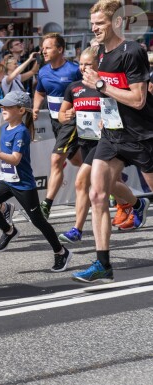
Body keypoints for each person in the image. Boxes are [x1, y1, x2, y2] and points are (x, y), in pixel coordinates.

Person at [72, 0, 153, 283]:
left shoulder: (132, 51)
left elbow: (139, 99)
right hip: (112, 136)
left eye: (100, 23)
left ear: (116, 23)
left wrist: (101, 85)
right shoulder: (100, 55)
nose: (94, 28)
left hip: (142, 135)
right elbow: (107, 95)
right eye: (92, 23)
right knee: (97, 194)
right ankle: (102, 263)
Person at [0, 91, 73, 271]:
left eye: (8, 106)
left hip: (23, 184)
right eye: (3, 106)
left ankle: (61, 252)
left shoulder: (21, 132)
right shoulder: (6, 128)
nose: (3, 109)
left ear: (21, 110)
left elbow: (15, 159)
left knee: (38, 221)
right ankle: (9, 230)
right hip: (7, 180)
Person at [57, 47, 141, 243]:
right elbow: (62, 115)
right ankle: (137, 204)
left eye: (89, 64)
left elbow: (120, 110)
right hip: (85, 141)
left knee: (81, 181)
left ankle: (76, 229)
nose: (84, 68)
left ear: (98, 66)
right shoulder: (74, 87)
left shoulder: (105, 86)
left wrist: (108, 120)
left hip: (106, 141)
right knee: (107, 184)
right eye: (81, 64)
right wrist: (66, 115)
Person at [32, 32, 83, 218]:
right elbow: (40, 92)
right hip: (56, 122)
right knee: (78, 160)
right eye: (43, 48)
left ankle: (46, 205)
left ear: (60, 49)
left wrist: (75, 109)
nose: (43, 51)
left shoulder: (73, 70)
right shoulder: (44, 71)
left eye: (48, 47)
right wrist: (36, 108)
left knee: (56, 160)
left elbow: (85, 91)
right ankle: (109, 181)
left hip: (72, 121)